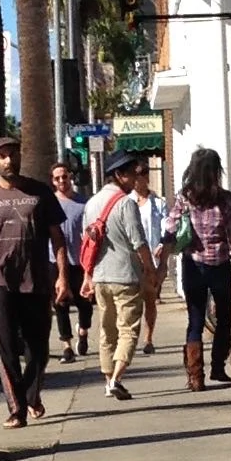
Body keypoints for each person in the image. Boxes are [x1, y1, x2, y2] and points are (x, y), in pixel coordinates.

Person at [0, 132, 69, 427]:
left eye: (13, 153)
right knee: (8, 348)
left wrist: (62, 276)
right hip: (0, 283)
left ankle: (30, 394)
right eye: (2, 156)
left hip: (36, 280)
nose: (9, 160)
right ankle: (17, 409)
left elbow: (57, 238)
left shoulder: (40, 192)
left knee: (39, 351)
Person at [159, 147, 231, 391]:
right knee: (224, 316)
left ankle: (196, 376)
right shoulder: (225, 198)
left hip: (193, 263)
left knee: (195, 318)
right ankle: (218, 366)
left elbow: (172, 226)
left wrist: (163, 251)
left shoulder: (185, 197)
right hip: (220, 264)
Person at [82, 152, 155, 402]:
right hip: (125, 276)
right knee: (128, 330)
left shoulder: (92, 203)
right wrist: (150, 268)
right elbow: (139, 241)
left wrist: (87, 276)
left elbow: (87, 243)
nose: (136, 178)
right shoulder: (126, 203)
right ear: (119, 175)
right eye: (133, 173)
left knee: (107, 330)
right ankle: (116, 379)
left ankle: (107, 381)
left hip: (101, 277)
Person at [49, 160, 91, 363]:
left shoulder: (83, 204)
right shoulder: (49, 203)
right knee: (60, 304)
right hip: (54, 261)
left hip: (79, 261)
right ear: (53, 181)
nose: (61, 181)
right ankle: (66, 345)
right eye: (57, 178)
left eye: (64, 177)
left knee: (84, 302)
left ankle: (83, 333)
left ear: (70, 177)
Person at [132, 172, 166, 353]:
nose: (137, 181)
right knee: (132, 303)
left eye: (140, 177)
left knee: (150, 300)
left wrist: (161, 245)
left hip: (151, 259)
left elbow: (166, 228)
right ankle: (130, 338)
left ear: (146, 178)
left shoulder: (158, 204)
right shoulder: (126, 202)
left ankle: (148, 338)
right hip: (132, 260)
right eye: (134, 177)